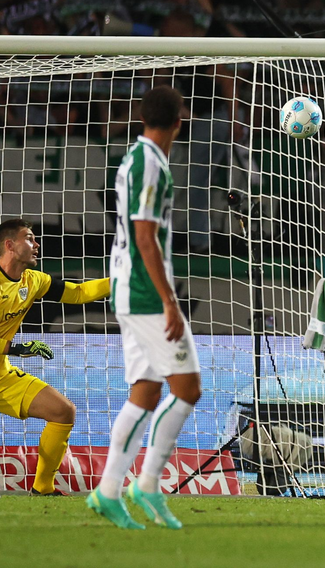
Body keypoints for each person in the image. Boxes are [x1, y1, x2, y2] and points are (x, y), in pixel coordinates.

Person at [88, 85, 202, 530]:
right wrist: (170, 301)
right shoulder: (149, 163)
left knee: (147, 392)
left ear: (141, 118)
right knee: (188, 387)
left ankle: (109, 490)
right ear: (180, 120)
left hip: (129, 289)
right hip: (144, 294)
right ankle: (147, 483)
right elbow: (143, 237)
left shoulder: (139, 157)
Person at [0, 219, 110, 495]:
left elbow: (79, 293)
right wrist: (16, 348)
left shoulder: (33, 281)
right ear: (10, 245)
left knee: (63, 411)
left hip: (2, 376)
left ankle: (43, 488)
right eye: (29, 238)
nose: (36, 245)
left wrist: (121, 281)